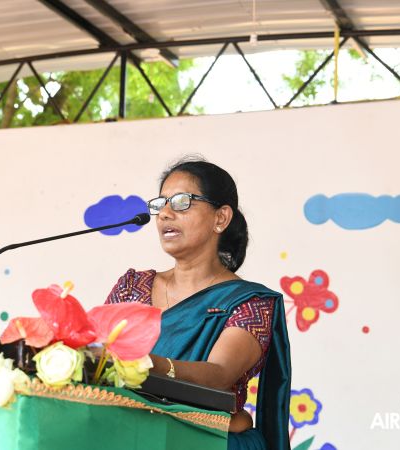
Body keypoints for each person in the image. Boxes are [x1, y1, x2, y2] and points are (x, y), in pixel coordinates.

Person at [105, 158, 291, 450]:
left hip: (212, 443)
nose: (164, 214)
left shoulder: (250, 303)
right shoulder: (131, 288)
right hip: (131, 438)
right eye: (160, 204)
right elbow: (102, 367)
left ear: (221, 218)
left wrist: (147, 364)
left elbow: (219, 374)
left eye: (182, 202)